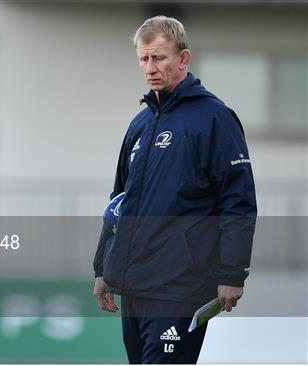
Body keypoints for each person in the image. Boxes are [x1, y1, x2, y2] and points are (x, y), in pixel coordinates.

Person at [93, 16, 257, 364]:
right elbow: (118, 203)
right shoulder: (140, 123)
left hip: (181, 287)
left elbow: (238, 202)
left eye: (159, 58)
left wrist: (232, 273)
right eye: (143, 59)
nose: (150, 68)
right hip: (135, 287)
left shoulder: (215, 118)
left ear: (183, 58)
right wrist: (102, 269)